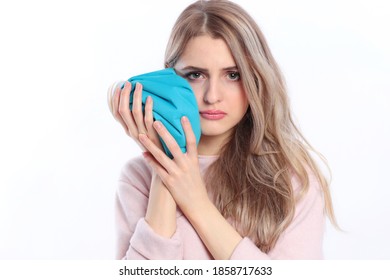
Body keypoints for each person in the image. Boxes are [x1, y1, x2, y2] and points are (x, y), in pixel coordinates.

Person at [108, 0, 337, 260]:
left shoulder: (292, 181)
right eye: (196, 75)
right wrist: (166, 168)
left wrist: (196, 202)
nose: (212, 96)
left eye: (233, 75)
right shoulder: (138, 179)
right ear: (170, 79)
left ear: (256, 79)